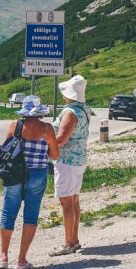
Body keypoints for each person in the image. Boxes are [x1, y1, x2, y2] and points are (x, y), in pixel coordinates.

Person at [0, 96, 59, 269]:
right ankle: (22, 260)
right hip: (38, 174)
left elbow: (5, 149)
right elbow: (55, 155)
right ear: (40, 112)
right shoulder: (47, 129)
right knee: (30, 215)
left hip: (14, 174)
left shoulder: (14, 126)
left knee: (8, 212)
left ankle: (3, 257)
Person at [48, 75, 93, 256]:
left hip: (66, 161)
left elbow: (60, 139)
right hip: (78, 159)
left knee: (66, 202)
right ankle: (74, 240)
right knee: (73, 200)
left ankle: (68, 243)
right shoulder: (83, 109)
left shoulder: (70, 113)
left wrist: (45, 144)